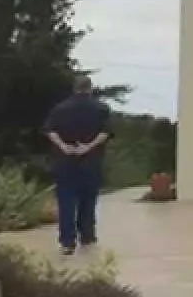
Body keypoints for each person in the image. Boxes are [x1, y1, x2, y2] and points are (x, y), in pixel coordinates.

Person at [43, 74, 112, 255]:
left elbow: (50, 131)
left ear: (74, 88)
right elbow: (105, 133)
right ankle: (87, 235)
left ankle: (67, 241)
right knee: (88, 200)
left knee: (66, 201)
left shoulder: (59, 109)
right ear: (90, 88)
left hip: (65, 161)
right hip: (91, 161)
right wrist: (88, 147)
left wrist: (64, 146)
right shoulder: (101, 108)